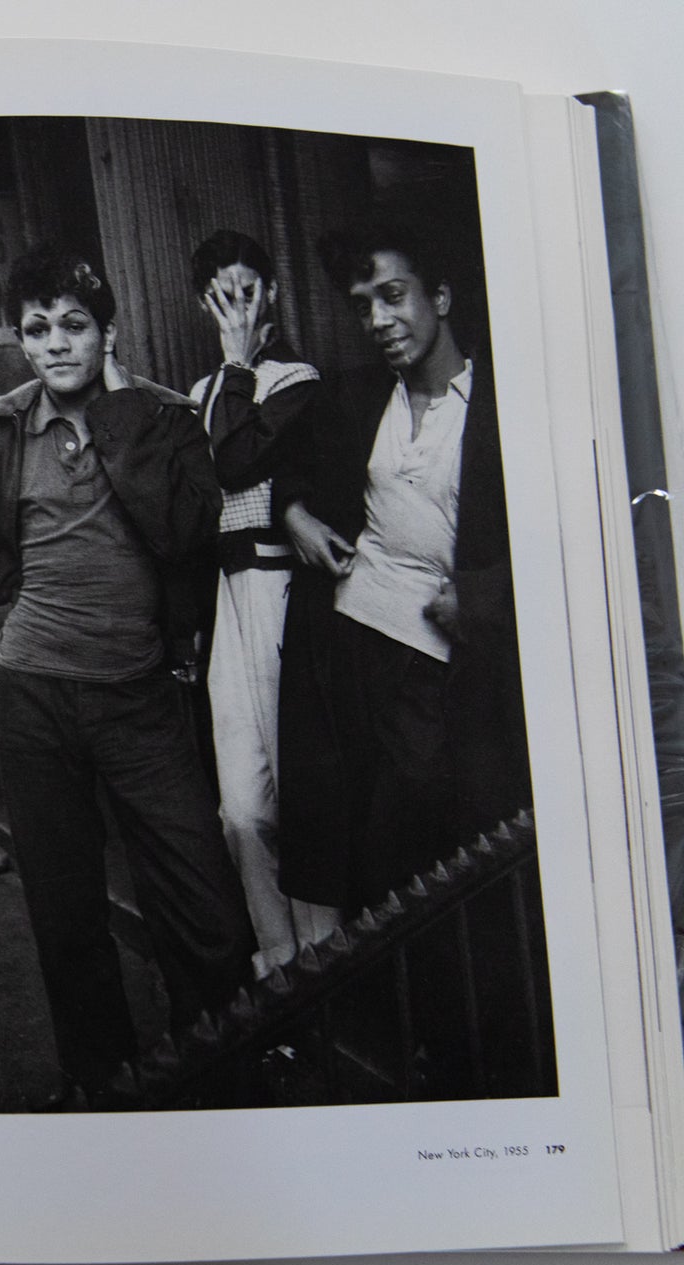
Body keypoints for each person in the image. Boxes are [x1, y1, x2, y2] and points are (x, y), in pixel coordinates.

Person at [0, 246, 254, 1101]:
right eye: (37, 328)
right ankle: (106, 1086)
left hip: (139, 698)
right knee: (67, 916)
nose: (55, 343)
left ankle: (217, 1081)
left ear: (108, 333)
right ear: (21, 341)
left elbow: (185, 530)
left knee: (203, 908)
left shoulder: (162, 417)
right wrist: (12, 582)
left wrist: (119, 412)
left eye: (74, 325)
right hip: (32, 700)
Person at [273, 221, 527, 914]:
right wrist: (295, 515)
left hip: (441, 663)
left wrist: (477, 599)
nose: (379, 321)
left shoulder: (501, 405)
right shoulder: (357, 399)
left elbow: (567, 541)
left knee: (435, 850)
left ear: (439, 296)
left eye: (393, 296)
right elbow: (284, 465)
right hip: (349, 650)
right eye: (363, 307)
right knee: (364, 846)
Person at [185, 229, 340, 977]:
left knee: (302, 789)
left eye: (248, 292)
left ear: (271, 294)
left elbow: (235, 459)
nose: (237, 308)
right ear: (203, 304)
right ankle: (279, 966)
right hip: (227, 599)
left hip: (283, 590)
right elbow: (194, 501)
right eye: (222, 297)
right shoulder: (201, 394)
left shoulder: (294, 378)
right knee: (242, 807)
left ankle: (328, 955)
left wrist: (240, 364)